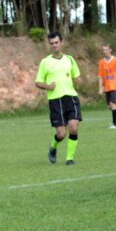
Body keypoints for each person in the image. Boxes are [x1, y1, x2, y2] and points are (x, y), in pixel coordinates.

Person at [35, 31, 82, 166]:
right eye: (52, 43)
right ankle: (53, 147)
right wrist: (47, 86)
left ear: (61, 42)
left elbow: (76, 76)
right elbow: (37, 82)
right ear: (49, 45)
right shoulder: (45, 62)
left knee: (73, 127)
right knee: (61, 134)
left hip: (71, 97)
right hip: (55, 101)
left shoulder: (70, 59)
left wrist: (78, 80)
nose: (54, 45)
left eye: (56, 42)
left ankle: (69, 158)